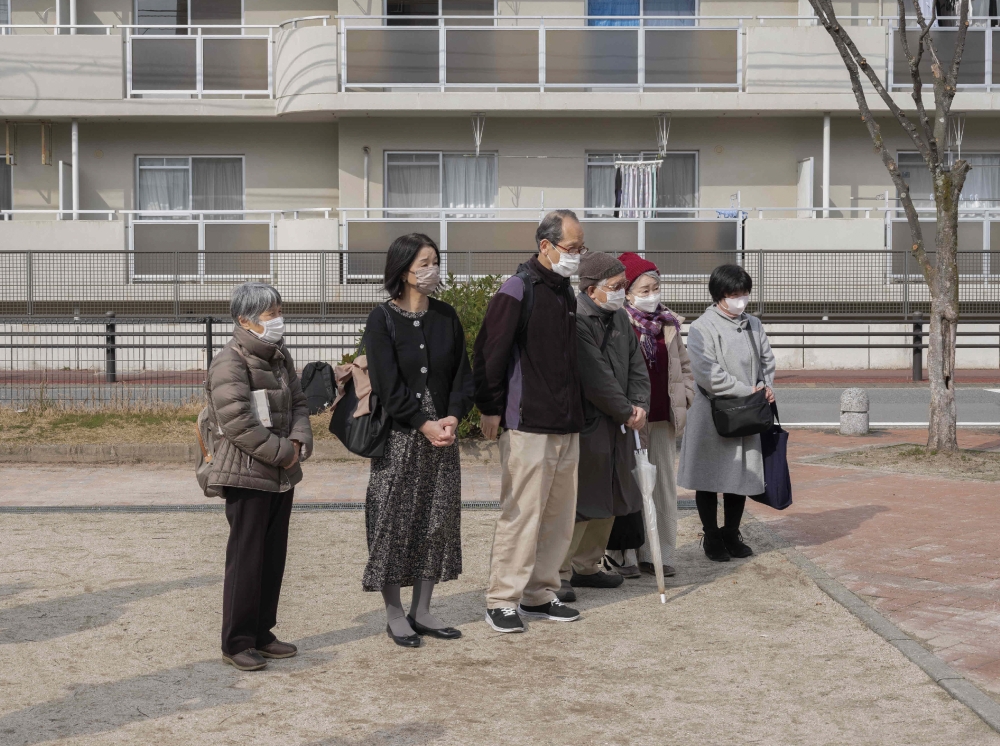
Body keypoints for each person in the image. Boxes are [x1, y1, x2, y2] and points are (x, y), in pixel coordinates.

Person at [473, 209, 586, 633]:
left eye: (581, 248)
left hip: (566, 420)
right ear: (545, 245)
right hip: (527, 420)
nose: (577, 255)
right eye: (571, 248)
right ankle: (502, 599)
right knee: (521, 512)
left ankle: (540, 592)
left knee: (559, 515)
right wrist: (490, 406)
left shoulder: (565, 292)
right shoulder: (517, 288)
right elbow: (490, 351)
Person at [364, 233, 474, 648]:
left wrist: (453, 416)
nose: (432, 270)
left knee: (437, 519)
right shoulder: (382, 319)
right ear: (403, 270)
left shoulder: (446, 315)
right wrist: (422, 422)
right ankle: (395, 613)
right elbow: (386, 384)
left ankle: (423, 609)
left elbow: (463, 374)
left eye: (435, 262)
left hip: (443, 434)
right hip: (400, 436)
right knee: (392, 518)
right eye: (423, 263)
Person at [207, 282, 313, 671]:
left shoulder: (278, 356)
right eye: (271, 314)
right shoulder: (229, 362)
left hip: (280, 471)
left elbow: (298, 402)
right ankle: (236, 642)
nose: (278, 319)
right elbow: (237, 422)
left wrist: (298, 440)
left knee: (272, 557)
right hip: (247, 473)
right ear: (245, 320)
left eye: (279, 311)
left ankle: (262, 633)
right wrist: (284, 452)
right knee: (246, 558)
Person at [557, 253, 650, 603]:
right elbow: (594, 375)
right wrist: (626, 410)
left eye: (623, 284)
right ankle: (559, 571)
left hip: (621, 422)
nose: (622, 291)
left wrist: (638, 404)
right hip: (590, 422)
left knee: (613, 496)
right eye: (616, 285)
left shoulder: (620, 317)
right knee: (582, 499)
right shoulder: (577, 318)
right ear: (591, 289)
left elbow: (636, 365)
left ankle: (588, 565)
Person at [677, 263, 776, 562]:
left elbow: (767, 361)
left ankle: (731, 532)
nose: (740, 300)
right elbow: (707, 373)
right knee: (708, 477)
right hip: (712, 412)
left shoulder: (753, 324)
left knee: (739, 475)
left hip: (746, 412)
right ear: (719, 295)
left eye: (744, 293)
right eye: (734, 295)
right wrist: (748, 390)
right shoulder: (702, 327)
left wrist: (765, 386)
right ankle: (711, 535)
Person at [613, 252, 695, 579]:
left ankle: (657, 554)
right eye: (644, 290)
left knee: (662, 487)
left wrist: (686, 395)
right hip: (630, 420)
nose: (651, 295)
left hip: (662, 417)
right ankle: (623, 554)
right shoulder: (619, 322)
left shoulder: (668, 324)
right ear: (628, 292)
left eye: (655, 288)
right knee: (630, 486)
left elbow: (684, 366)